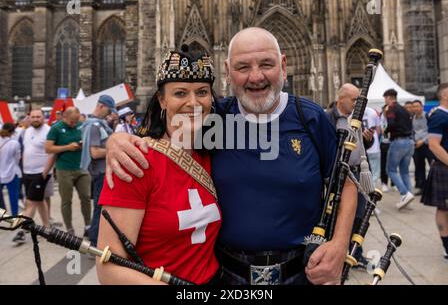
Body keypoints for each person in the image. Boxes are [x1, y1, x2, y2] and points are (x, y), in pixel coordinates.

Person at [104, 27, 357, 285]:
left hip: (301, 274)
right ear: (227, 71)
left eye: (266, 64)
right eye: (243, 67)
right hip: (229, 277)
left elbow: (345, 180)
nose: (255, 76)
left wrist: (339, 244)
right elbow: (165, 137)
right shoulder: (215, 119)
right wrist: (117, 139)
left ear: (283, 65)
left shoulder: (310, 118)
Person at [96, 48, 222, 285]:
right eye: (180, 93)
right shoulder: (135, 161)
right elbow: (108, 268)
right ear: (161, 100)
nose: (193, 103)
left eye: (202, 92)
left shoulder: (212, 153)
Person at [326, 84, 374, 269]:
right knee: (335, 216)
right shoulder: (327, 118)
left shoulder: (358, 118)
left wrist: (367, 140)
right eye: (354, 100)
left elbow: (361, 147)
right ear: (342, 98)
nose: (357, 104)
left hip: (356, 174)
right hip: (337, 175)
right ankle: (334, 252)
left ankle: (355, 254)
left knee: (360, 216)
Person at [45, 107, 91, 236]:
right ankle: (69, 228)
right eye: (72, 121)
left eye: (76, 121)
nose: (74, 124)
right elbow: (48, 148)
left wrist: (82, 144)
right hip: (64, 169)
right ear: (65, 117)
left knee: (86, 197)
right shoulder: (56, 128)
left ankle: (88, 225)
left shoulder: (80, 126)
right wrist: (68, 147)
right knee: (66, 200)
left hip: (82, 168)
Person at [12, 109, 56, 243]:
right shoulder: (26, 131)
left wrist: (45, 172)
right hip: (27, 172)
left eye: (38, 116)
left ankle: (22, 231)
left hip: (41, 173)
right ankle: (47, 228)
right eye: (33, 117)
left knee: (30, 202)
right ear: (29, 118)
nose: (36, 119)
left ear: (44, 117)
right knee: (39, 200)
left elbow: (53, 153)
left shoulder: (49, 131)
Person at [80, 95, 116, 247]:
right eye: (108, 110)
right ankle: (94, 241)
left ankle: (96, 238)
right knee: (100, 208)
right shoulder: (94, 125)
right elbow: (94, 152)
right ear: (101, 106)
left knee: (102, 206)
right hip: (100, 172)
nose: (109, 113)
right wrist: (113, 150)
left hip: (103, 172)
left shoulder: (99, 124)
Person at [421, 83, 448, 260]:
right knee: (444, 208)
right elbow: (433, 145)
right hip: (445, 168)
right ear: (445, 95)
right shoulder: (438, 116)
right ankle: (447, 247)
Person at [383, 89, 415, 210]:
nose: (385, 101)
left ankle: (404, 193)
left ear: (389, 98)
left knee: (390, 170)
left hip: (398, 141)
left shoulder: (391, 109)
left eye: (385, 98)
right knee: (405, 171)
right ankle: (408, 197)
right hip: (409, 141)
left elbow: (391, 124)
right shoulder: (404, 109)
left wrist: (385, 131)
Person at [412, 100, 434, 195]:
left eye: (417, 106)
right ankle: (423, 188)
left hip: (428, 145)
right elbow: (413, 131)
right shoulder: (412, 118)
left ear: (422, 106)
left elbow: (432, 130)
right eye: (414, 107)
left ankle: (433, 187)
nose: (416, 108)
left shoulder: (428, 116)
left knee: (432, 166)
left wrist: (423, 140)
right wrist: (414, 141)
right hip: (417, 145)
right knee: (419, 167)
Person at [0, 123, 22, 216]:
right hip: (13, 172)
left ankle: (2, 215)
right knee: (14, 197)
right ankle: (14, 218)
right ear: (13, 132)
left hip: (0, 172)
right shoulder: (14, 143)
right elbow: (17, 159)